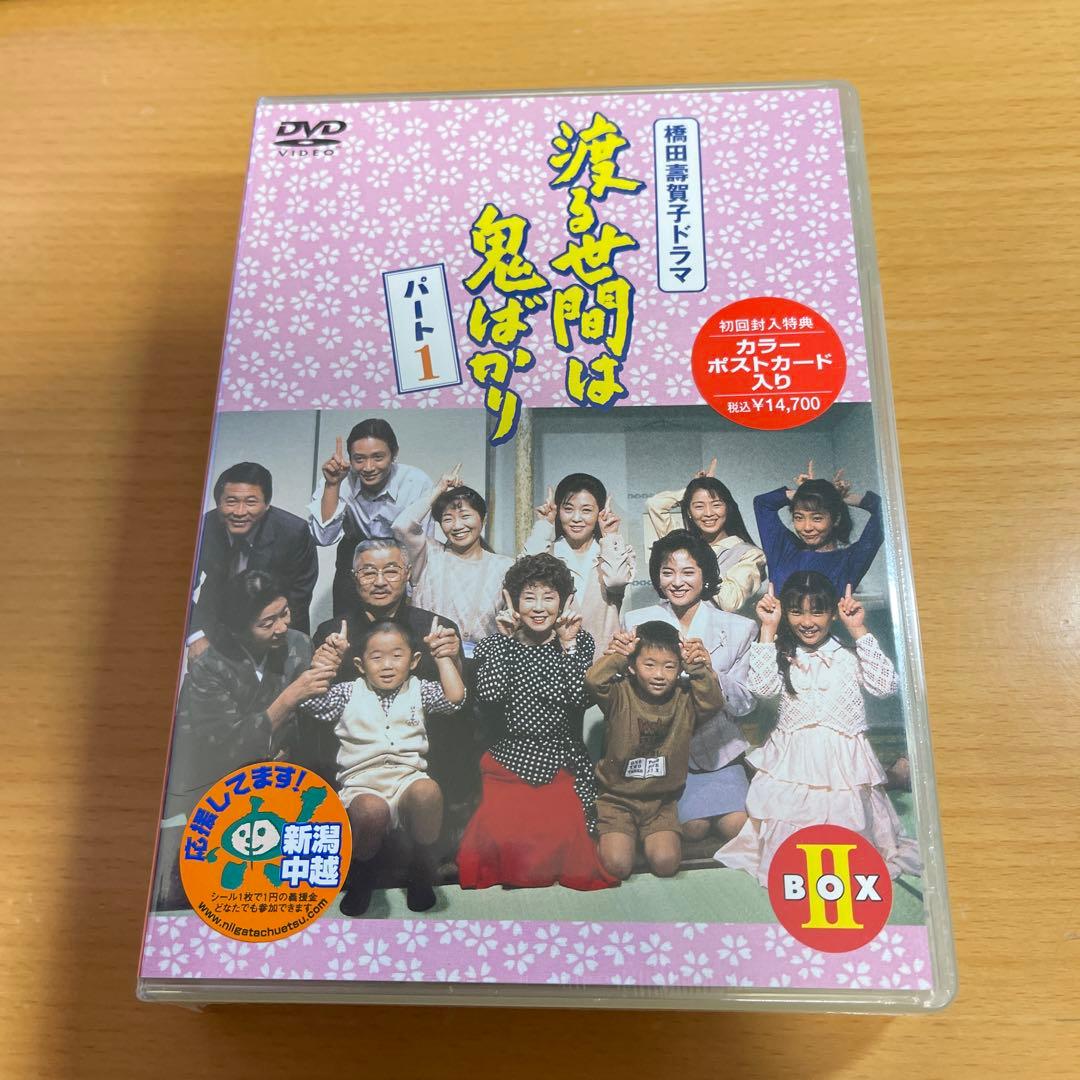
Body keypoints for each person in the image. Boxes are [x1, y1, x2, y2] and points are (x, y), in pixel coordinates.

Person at [717, 574, 922, 884]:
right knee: (794, 849)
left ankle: (896, 775)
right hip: (794, 765)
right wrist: (768, 629)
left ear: (832, 613)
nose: (807, 622)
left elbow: (885, 685)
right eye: (796, 612)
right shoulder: (782, 653)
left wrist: (858, 629)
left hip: (843, 766)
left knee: (845, 845)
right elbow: (762, 688)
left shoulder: (848, 654)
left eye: (817, 612)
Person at [161, 571, 334, 908]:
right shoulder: (209, 667)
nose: (282, 627)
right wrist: (288, 698)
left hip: (286, 773)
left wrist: (329, 670)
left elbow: (313, 720)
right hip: (221, 781)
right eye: (267, 623)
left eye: (284, 613)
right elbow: (224, 745)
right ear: (237, 628)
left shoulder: (298, 644)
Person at [456, 554, 617, 891]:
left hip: (563, 760)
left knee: (559, 856)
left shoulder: (579, 641)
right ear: (513, 601)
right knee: (517, 862)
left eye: (549, 597)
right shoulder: (493, 644)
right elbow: (491, 695)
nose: (539, 607)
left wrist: (568, 644)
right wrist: (504, 641)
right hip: (509, 761)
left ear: (564, 601)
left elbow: (580, 699)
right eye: (529, 597)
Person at [300, 618, 465, 916]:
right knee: (371, 810)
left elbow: (455, 699)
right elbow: (311, 702)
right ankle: (363, 875)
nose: (387, 665)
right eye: (376, 657)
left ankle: (421, 868)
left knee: (428, 792)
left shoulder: (419, 689)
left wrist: (442, 657)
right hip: (362, 784)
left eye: (397, 656)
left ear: (414, 661)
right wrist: (327, 663)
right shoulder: (348, 692)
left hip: (407, 779)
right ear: (360, 665)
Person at [302, 538, 467, 815]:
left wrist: (451, 658)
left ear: (408, 573)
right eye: (368, 572)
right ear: (354, 578)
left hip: (421, 766)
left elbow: (455, 701)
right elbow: (316, 708)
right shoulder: (332, 632)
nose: (380, 582)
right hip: (354, 769)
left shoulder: (435, 628)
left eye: (391, 571)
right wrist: (323, 666)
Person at [624, 530, 756, 846]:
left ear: (705, 575)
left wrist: (711, 672)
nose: (677, 582)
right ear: (658, 577)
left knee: (736, 828)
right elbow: (627, 697)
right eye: (667, 572)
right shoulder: (636, 622)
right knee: (692, 829)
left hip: (719, 752)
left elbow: (745, 704)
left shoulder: (739, 628)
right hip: (665, 753)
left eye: (688, 572)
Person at [586, 621, 723, 880]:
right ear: (632, 666)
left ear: (679, 668)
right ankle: (619, 840)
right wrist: (621, 655)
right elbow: (593, 681)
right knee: (617, 866)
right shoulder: (620, 693)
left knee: (666, 864)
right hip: (617, 800)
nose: (659, 674)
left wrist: (696, 667)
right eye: (649, 665)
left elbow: (713, 702)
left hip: (661, 803)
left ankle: (637, 841)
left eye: (669, 666)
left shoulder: (684, 698)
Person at [187, 462, 318, 662]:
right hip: (217, 623)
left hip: (277, 628)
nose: (239, 512)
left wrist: (269, 639)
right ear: (218, 503)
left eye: (250, 502)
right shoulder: (204, 528)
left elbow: (298, 598)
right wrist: (196, 635)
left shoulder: (293, 533)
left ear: (267, 505)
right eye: (231, 501)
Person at [307, 418, 433, 616]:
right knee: (348, 626)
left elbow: (421, 546)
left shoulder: (416, 482)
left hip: (400, 559)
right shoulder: (338, 478)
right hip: (355, 557)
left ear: (394, 453)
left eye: (378, 457)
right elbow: (323, 538)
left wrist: (413, 593)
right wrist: (332, 485)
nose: (368, 467)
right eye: (359, 459)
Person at [392, 464, 513, 658]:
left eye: (465, 516)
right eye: (448, 519)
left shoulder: (504, 566)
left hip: (484, 663)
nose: (457, 526)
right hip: (429, 658)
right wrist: (438, 490)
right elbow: (401, 526)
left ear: (483, 519)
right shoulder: (428, 554)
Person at [521, 472, 635, 654]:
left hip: (604, 659)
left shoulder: (612, 552)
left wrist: (610, 535)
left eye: (586, 510)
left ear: (600, 512)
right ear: (558, 511)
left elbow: (616, 580)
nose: (576, 518)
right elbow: (523, 574)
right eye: (568, 509)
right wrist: (544, 525)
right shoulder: (547, 554)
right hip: (554, 659)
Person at [645, 458, 767, 612]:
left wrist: (702, 561)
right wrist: (694, 488)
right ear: (689, 511)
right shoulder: (682, 543)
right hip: (675, 624)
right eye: (699, 506)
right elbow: (654, 504)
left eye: (716, 505)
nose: (708, 513)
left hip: (718, 627)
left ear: (727, 508)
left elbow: (730, 602)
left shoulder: (750, 554)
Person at [754, 460, 883, 596]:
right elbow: (763, 503)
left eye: (817, 518)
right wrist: (806, 493)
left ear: (836, 519)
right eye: (799, 517)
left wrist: (837, 496)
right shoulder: (782, 551)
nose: (807, 527)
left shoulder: (851, 560)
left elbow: (884, 510)